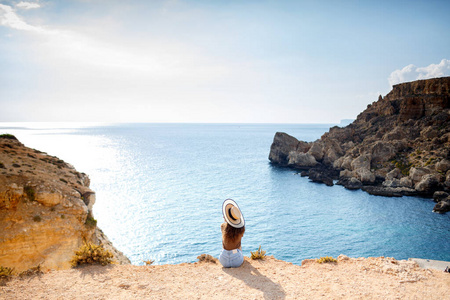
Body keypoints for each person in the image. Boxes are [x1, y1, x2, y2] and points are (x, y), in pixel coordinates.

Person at [219, 199, 245, 268]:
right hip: (237, 260)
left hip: (223, 260)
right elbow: (239, 245)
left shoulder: (223, 226)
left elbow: (223, 244)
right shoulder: (241, 229)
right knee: (239, 247)